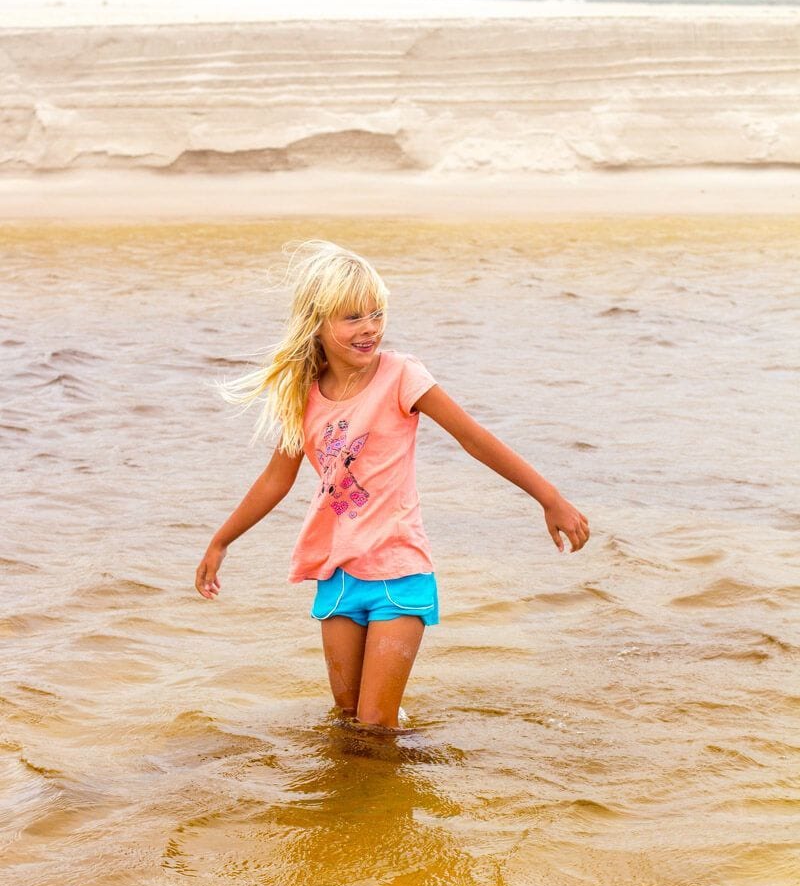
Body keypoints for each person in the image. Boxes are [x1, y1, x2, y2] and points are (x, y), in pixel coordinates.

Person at [195, 240, 589, 735]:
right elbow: (277, 478)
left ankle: (413, 790)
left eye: (376, 314)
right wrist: (221, 540)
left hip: (399, 569)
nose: (369, 328)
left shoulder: (401, 375)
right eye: (352, 317)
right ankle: (370, 799)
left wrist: (549, 497)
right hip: (337, 573)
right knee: (348, 723)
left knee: (376, 723)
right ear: (317, 323)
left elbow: (473, 437)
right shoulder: (304, 396)